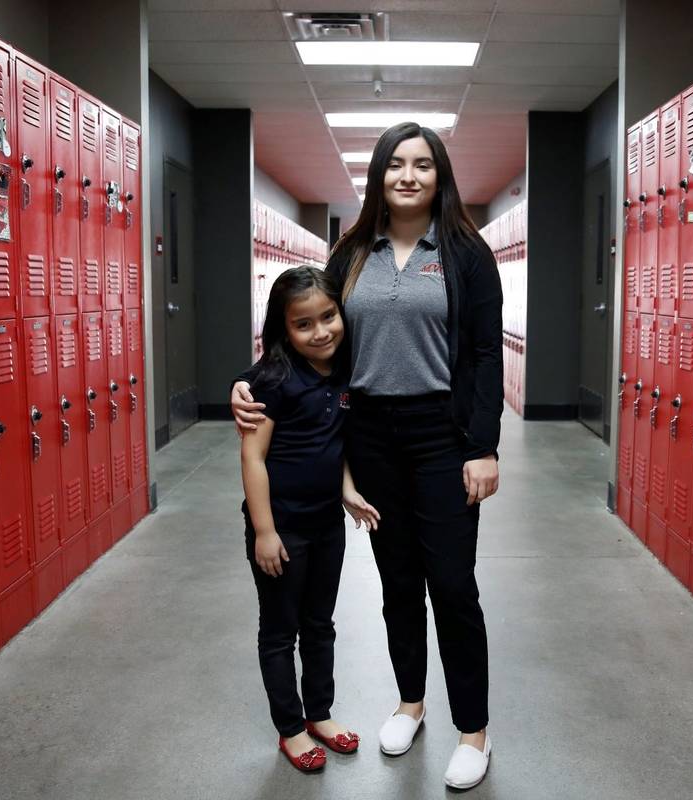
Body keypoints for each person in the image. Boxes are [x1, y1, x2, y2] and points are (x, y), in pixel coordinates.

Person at [232, 122, 504, 790]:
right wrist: (245, 383)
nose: (409, 176)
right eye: (396, 165)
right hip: (370, 432)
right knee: (398, 583)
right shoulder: (352, 252)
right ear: (379, 175)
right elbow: (306, 330)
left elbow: (485, 353)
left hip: (441, 433)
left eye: (423, 164)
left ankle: (474, 730)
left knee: (454, 586)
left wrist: (483, 445)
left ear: (440, 176)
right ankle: (410, 702)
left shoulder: (466, 253)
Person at [239, 266, 381, 773]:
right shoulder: (271, 381)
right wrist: (264, 531)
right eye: (304, 324)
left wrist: (347, 494)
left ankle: (319, 713)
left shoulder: (342, 371)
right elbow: (253, 459)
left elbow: (333, 442)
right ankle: (291, 728)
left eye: (328, 317)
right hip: (283, 526)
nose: (321, 331)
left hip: (325, 523)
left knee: (320, 624)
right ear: (283, 329)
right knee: (280, 630)